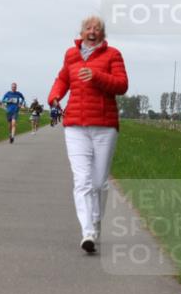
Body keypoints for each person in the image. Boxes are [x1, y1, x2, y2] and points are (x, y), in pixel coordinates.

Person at [48, 15, 128, 253]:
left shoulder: (113, 54)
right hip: (75, 125)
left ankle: (95, 221)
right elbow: (63, 78)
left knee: (99, 183)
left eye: (97, 28)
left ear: (103, 34)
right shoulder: (71, 55)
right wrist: (54, 96)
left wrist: (96, 76)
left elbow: (122, 85)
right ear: (81, 32)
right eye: (88, 28)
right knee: (82, 180)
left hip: (104, 125)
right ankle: (88, 231)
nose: (92, 31)